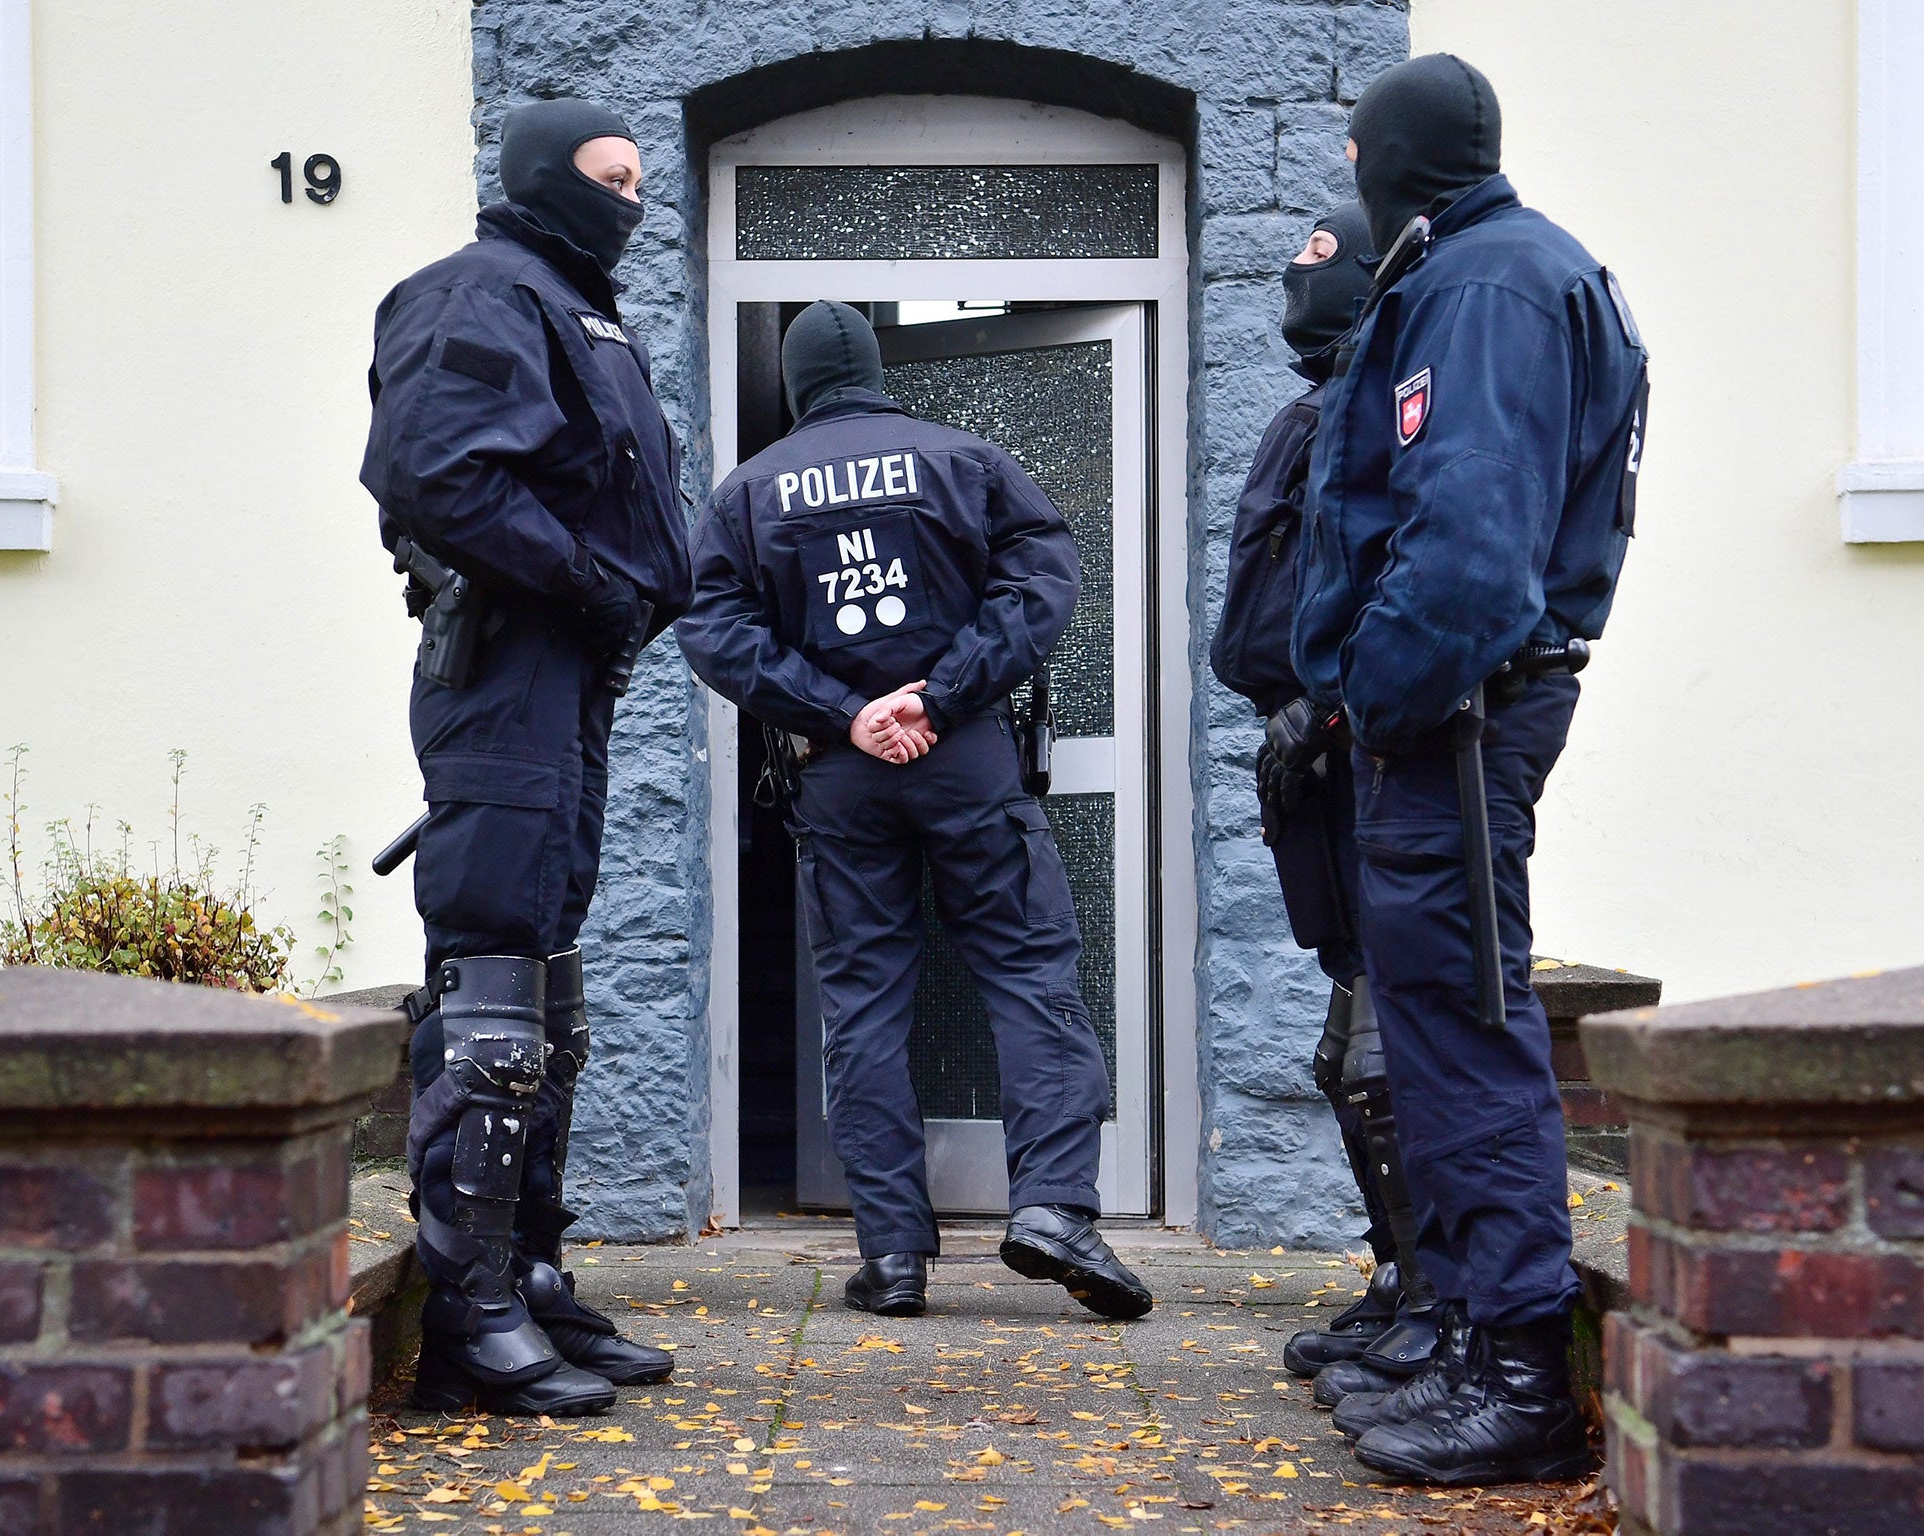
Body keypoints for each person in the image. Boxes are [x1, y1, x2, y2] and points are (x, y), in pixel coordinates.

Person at [1285, 54, 1648, 1485]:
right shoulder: (1486, 265)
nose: (1357, 177)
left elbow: (1467, 540)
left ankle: (1515, 1375)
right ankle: (1463, 1337)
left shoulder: (1485, 286)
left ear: (1395, 156)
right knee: (1434, 1028)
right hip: (1455, 711)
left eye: (1363, 152)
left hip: (1456, 715)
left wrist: (1375, 700)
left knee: (1463, 1030)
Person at [676, 301, 1151, 1322]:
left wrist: (847, 714)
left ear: (798, 384)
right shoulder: (964, 461)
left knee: (862, 1006)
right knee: (1029, 975)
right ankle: (1055, 1210)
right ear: (876, 370)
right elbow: (1040, 582)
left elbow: (712, 630)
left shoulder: (749, 493)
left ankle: (892, 1257)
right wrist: (935, 698)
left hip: (838, 776)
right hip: (964, 755)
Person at [360, 98, 694, 1415]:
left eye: (637, 182)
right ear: (547, 178)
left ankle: (531, 1276)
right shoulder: (479, 293)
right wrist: (588, 583)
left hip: (567, 668)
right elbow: (435, 474)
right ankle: (467, 1306)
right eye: (608, 178)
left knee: (547, 980)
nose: (630, 201)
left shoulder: (572, 304)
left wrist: (620, 600)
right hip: (503, 659)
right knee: (495, 972)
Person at [1208, 201, 1444, 1402]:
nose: (1289, 281)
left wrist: (1333, 702)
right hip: (1300, 753)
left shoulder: (1388, 409)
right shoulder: (1314, 412)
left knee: (1379, 1039)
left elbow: (1406, 575)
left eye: (1313, 261)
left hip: (1357, 745)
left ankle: (1432, 1295)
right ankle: (1396, 1277)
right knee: (1347, 1032)